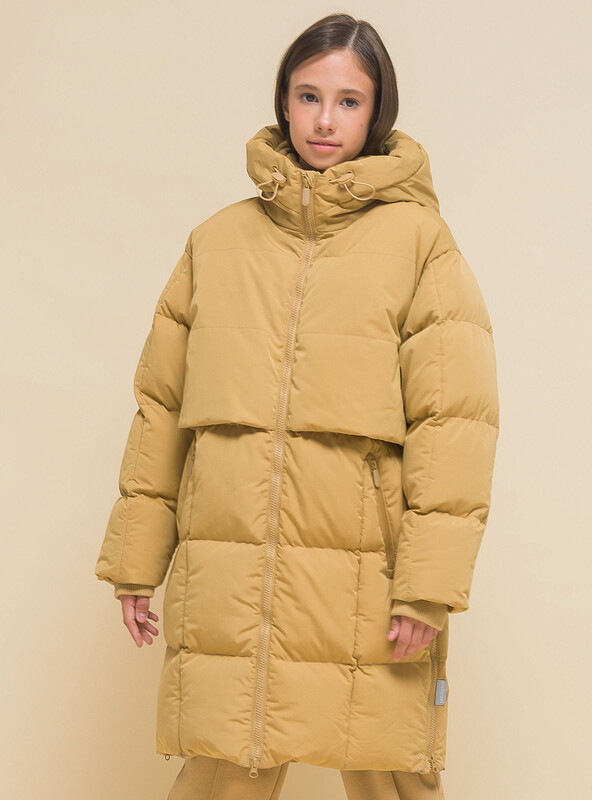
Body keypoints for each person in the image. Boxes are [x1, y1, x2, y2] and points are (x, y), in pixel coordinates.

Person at [94, 12, 499, 800]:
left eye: (349, 101)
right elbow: (161, 410)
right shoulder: (215, 243)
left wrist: (426, 586)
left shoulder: (421, 245)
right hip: (230, 570)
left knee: (390, 770)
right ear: (283, 101)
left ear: (376, 113)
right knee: (224, 765)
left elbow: (454, 425)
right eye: (309, 95)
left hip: (365, 576)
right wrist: (136, 563)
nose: (324, 120)